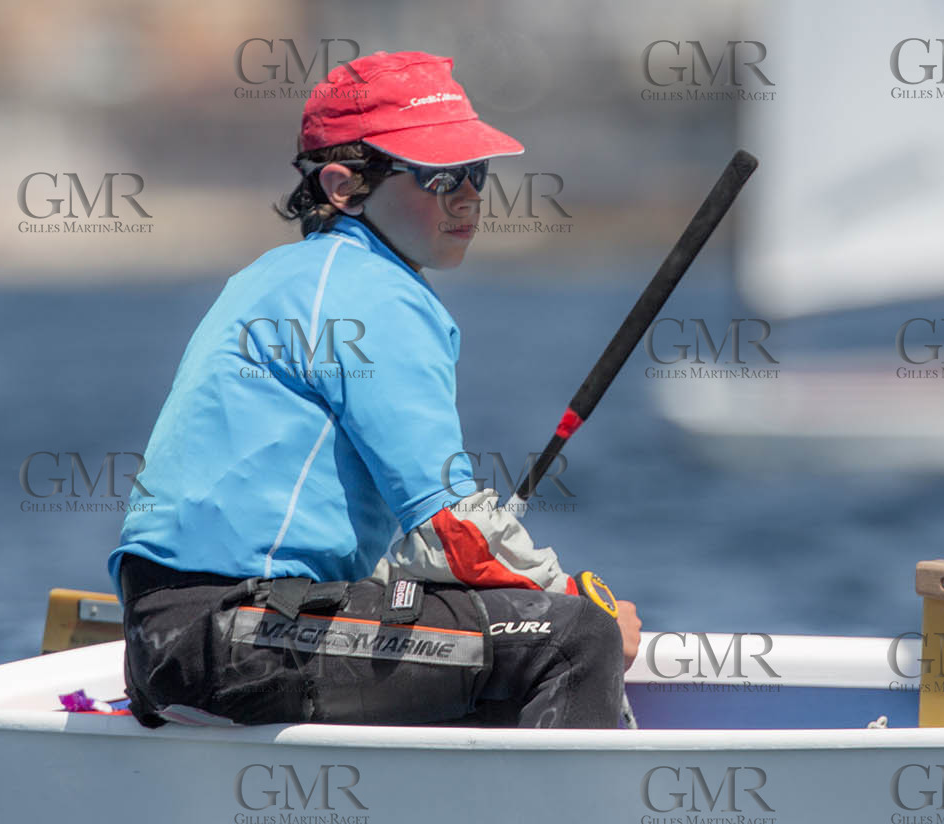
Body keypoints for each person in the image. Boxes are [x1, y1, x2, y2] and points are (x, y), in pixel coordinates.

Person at [108, 50, 641, 730]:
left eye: (475, 172)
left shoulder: (277, 275)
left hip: (190, 631)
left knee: (487, 629)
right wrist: (578, 601)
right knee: (571, 639)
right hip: (239, 632)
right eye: (439, 175)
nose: (469, 196)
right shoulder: (376, 295)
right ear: (343, 185)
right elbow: (454, 535)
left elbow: (426, 548)